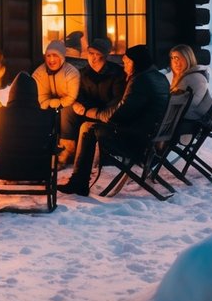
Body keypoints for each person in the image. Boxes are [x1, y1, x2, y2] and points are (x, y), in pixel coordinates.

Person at [60, 44, 170, 197]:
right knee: (91, 124)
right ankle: (79, 179)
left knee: (88, 127)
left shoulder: (140, 81)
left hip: (137, 141)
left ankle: (79, 181)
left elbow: (117, 114)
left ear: (135, 63)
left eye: (126, 63)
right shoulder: (159, 77)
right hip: (149, 136)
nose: (124, 67)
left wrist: (89, 112)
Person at [62, 36, 127, 163]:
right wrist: (77, 104)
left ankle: (103, 153)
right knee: (67, 109)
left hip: (106, 113)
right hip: (86, 110)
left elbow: (117, 99)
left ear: (105, 56)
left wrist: (98, 110)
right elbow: (76, 93)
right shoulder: (81, 73)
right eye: (91, 53)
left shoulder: (117, 73)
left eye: (98, 54)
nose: (94, 58)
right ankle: (68, 150)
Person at [32, 40, 80, 150]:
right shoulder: (39, 73)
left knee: (66, 113)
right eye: (48, 56)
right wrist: (48, 103)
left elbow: (72, 97)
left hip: (69, 105)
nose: (51, 60)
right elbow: (40, 96)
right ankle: (42, 147)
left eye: (55, 56)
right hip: (49, 104)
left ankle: (66, 149)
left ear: (62, 57)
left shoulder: (71, 73)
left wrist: (59, 103)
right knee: (41, 112)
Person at [169, 44, 212, 131]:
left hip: (186, 125)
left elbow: (183, 106)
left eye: (178, 58)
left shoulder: (193, 79)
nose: (175, 62)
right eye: (173, 58)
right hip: (186, 123)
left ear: (188, 58)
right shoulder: (188, 77)